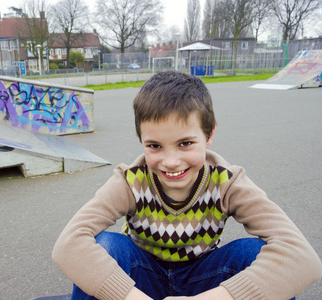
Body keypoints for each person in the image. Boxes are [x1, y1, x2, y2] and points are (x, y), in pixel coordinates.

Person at [52, 71, 322, 300]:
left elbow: (302, 258)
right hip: (142, 278)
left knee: (253, 253)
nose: (171, 161)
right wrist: (130, 296)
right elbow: (69, 244)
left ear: (209, 134)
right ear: (142, 140)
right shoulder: (130, 180)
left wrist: (220, 297)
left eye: (185, 143)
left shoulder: (228, 182)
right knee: (106, 245)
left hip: (204, 279)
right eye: (155, 146)